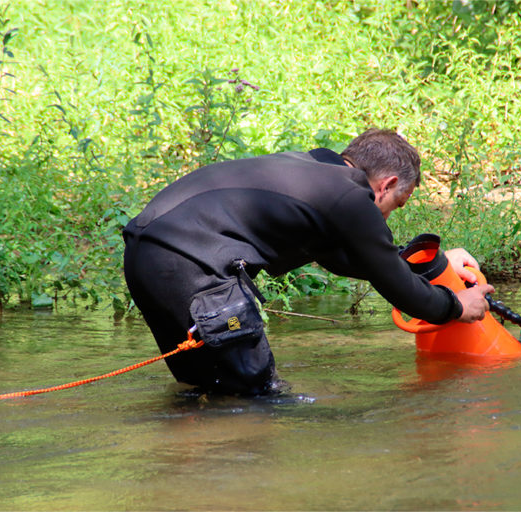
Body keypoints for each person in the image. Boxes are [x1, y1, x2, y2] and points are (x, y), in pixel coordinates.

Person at [122, 128, 494, 395]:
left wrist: (434, 265)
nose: (387, 217)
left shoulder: (313, 172)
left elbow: (351, 258)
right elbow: (396, 287)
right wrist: (457, 306)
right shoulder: (349, 196)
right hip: (189, 263)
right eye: (397, 204)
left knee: (207, 388)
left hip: (145, 253)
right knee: (254, 398)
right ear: (386, 184)